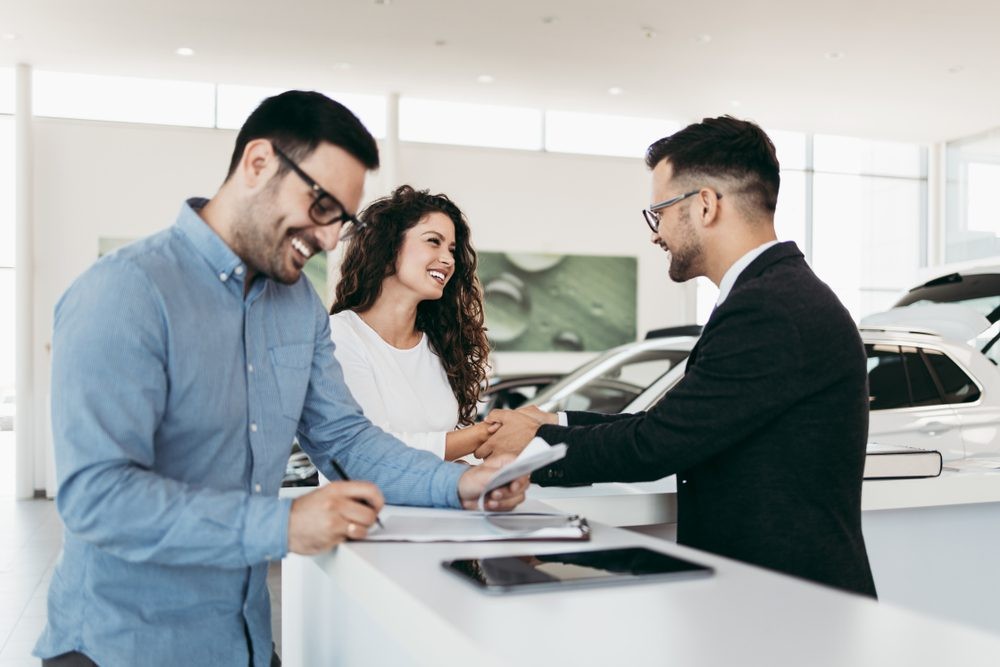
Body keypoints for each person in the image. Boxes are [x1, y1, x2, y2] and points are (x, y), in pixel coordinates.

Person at [35, 91, 526, 667]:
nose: (325, 238)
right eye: (321, 206)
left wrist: (458, 486)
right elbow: (99, 497)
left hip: (242, 641)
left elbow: (345, 439)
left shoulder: (297, 306)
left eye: (339, 221)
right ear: (258, 163)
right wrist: (283, 523)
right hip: (122, 647)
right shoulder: (124, 293)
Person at [477, 116, 877, 598]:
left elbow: (659, 443)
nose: (655, 233)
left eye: (659, 213)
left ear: (705, 205)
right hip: (775, 596)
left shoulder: (769, 305)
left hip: (793, 603)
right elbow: (683, 423)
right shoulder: (773, 293)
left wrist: (537, 442)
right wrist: (553, 419)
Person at [329, 185, 495, 461]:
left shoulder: (440, 344)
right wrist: (483, 434)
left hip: (436, 503)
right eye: (433, 241)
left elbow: (446, 449)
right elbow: (372, 451)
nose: (448, 259)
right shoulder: (339, 336)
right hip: (365, 504)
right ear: (388, 247)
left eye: (452, 249)